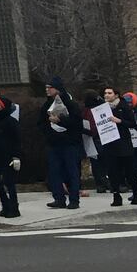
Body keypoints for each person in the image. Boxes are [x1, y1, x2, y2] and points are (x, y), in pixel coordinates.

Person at [42, 77, 85, 210]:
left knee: (72, 172)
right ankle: (58, 198)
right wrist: (48, 133)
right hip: (54, 144)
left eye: (50, 88)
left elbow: (77, 123)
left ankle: (74, 200)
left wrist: (60, 121)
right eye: (46, 88)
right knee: (54, 172)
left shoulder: (71, 104)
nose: (47, 90)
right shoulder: (47, 105)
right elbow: (41, 123)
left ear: (58, 89)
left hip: (69, 143)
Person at [100, 86, 137, 207]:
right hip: (110, 144)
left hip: (124, 144)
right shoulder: (103, 109)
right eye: (105, 93)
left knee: (130, 171)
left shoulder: (124, 106)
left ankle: (136, 194)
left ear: (116, 95)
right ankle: (116, 196)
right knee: (113, 172)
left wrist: (120, 121)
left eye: (109, 93)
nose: (106, 95)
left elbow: (133, 123)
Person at [0, 94, 23, 218]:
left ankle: (14, 207)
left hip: (8, 156)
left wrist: (16, 156)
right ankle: (5, 204)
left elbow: (17, 140)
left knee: (9, 182)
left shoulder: (11, 122)